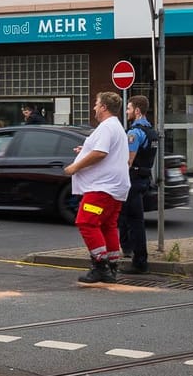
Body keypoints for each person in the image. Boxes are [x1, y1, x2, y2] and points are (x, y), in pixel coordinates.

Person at [63, 91, 131, 285]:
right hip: (115, 188)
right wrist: (83, 150)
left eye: (96, 104)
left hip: (102, 188)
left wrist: (75, 167)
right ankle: (111, 266)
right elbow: (104, 151)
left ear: (103, 107)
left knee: (86, 221)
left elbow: (100, 153)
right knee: (107, 225)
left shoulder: (106, 127)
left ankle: (99, 265)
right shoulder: (116, 127)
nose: (94, 107)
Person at [118, 95, 156, 273]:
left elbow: (128, 161)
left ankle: (140, 261)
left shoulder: (134, 133)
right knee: (125, 216)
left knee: (135, 222)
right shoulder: (150, 130)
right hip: (144, 178)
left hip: (132, 179)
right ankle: (126, 248)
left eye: (129, 108)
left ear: (137, 111)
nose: (126, 112)